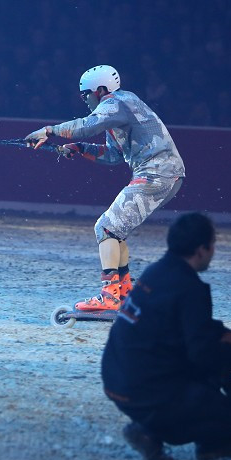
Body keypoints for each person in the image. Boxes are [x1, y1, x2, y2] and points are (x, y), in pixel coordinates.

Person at [101, 212, 231, 460]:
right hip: (143, 391)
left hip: (115, 379)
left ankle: (158, 428)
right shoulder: (191, 289)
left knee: (202, 369)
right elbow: (201, 353)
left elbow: (185, 327)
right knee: (229, 414)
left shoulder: (155, 272)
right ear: (201, 249)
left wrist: (221, 335)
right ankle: (157, 432)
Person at [24, 65, 185, 312]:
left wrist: (49, 131)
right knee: (115, 231)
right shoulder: (119, 110)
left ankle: (109, 296)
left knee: (106, 227)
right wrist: (79, 148)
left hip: (157, 173)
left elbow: (88, 125)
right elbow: (112, 155)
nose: (84, 99)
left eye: (85, 94)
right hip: (164, 174)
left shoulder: (117, 101)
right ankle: (125, 295)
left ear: (100, 90)